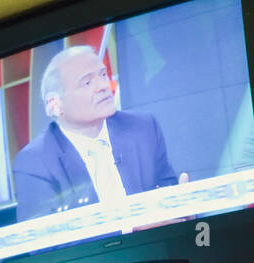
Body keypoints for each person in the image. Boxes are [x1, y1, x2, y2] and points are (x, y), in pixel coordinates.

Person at [12, 45, 186, 222]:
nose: (104, 86)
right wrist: (132, 229)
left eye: (103, 75)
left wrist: (180, 205)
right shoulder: (34, 161)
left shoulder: (142, 128)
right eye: (87, 82)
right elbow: (44, 241)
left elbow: (166, 189)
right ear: (55, 104)